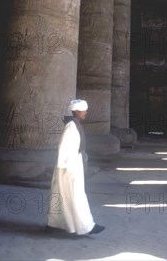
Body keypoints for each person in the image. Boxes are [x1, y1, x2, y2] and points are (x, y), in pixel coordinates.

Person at [46, 99, 105, 236]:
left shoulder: (74, 124)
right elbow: (64, 148)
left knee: (64, 196)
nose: (86, 112)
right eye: (84, 110)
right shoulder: (71, 126)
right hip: (69, 167)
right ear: (77, 112)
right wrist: (67, 169)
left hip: (72, 165)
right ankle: (86, 226)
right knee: (75, 196)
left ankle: (55, 225)